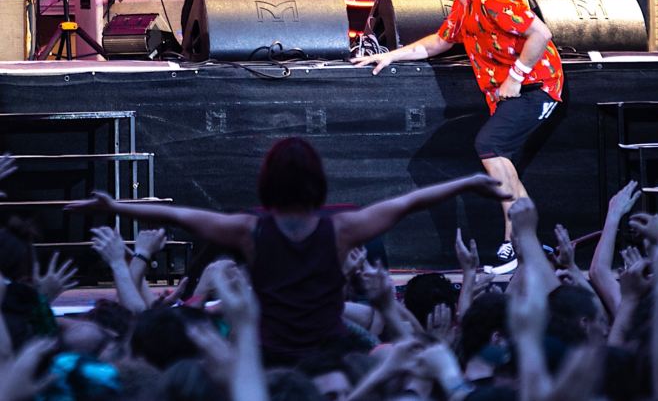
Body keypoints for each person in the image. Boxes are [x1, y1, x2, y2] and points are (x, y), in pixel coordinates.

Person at [66, 136, 510, 365]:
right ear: (317, 183)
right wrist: (467, 181)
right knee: (402, 353)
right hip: (330, 351)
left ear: (268, 184)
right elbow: (410, 202)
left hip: (269, 356)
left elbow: (179, 216)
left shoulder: (248, 230)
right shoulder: (341, 229)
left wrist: (114, 204)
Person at [351, 0, 564, 268]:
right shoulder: (467, 2)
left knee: (490, 145)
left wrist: (516, 75)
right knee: (502, 162)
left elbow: (541, 33)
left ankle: (513, 245)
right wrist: (391, 55)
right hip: (515, 91)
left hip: (537, 86)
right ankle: (530, 244)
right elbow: (440, 41)